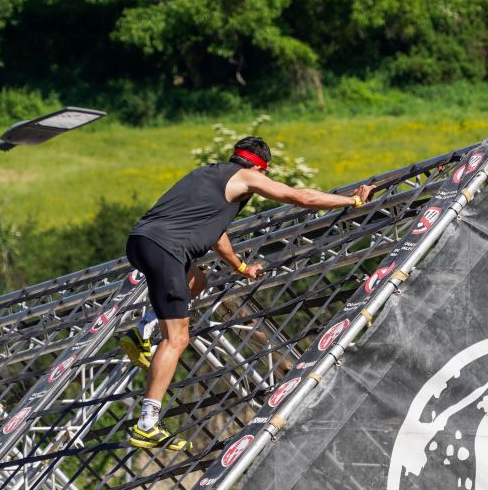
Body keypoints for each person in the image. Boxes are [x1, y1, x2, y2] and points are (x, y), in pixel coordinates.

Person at [119, 136, 373, 450]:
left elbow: (217, 235)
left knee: (197, 282)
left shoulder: (207, 175)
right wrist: (352, 201)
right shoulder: (247, 177)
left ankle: (143, 329)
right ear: (260, 168)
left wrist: (240, 267)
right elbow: (300, 197)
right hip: (168, 249)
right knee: (177, 338)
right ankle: (147, 423)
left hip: (140, 242)